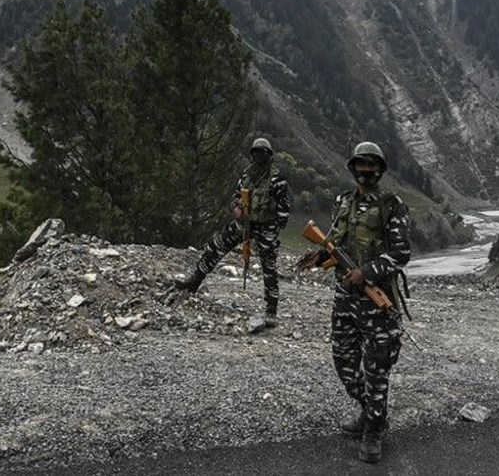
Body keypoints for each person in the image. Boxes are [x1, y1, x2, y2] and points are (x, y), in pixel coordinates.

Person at [299, 141, 411, 463]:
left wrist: (368, 272)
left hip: (377, 302)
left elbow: (401, 253)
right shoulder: (343, 201)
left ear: (380, 170)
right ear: (352, 169)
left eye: (371, 166)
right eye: (361, 165)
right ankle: (372, 413)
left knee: (376, 369)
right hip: (345, 299)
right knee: (344, 364)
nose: (366, 171)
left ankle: (373, 430)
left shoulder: (392, 204)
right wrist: (320, 255)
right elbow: (336, 243)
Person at [172, 137, 291, 324]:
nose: (259, 156)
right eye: (256, 152)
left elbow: (284, 207)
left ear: (269, 154)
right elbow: (236, 196)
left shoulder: (277, 178)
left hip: (266, 225)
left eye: (262, 153)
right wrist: (236, 208)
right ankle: (194, 281)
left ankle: (271, 309)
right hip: (245, 222)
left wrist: (274, 228)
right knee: (216, 245)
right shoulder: (247, 175)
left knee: (269, 267)